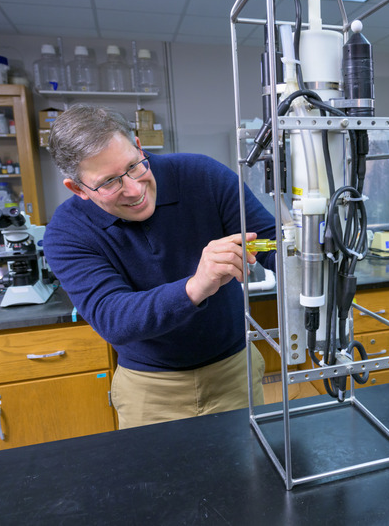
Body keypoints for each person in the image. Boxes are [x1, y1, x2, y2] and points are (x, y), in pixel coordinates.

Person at [43, 104, 276, 428]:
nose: (135, 190)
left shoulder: (203, 176)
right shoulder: (67, 232)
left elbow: (268, 240)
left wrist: (306, 256)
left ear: (139, 146)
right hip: (149, 390)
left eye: (135, 166)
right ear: (78, 188)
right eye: (109, 182)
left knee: (249, 472)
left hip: (235, 372)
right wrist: (195, 286)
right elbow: (114, 317)